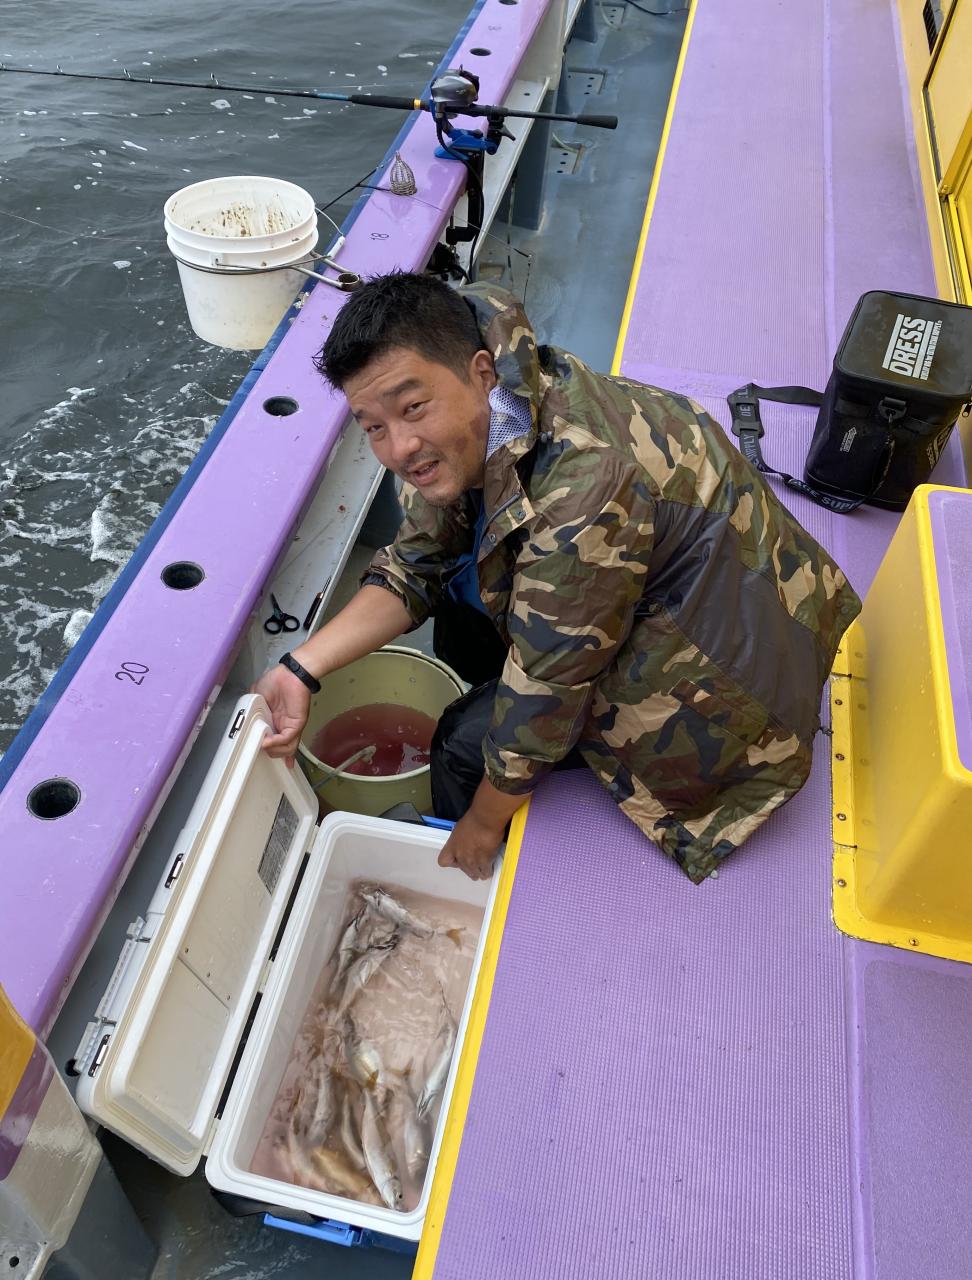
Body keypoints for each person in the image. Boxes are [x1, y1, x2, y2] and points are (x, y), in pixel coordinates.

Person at [252, 272, 861, 884]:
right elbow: (417, 562)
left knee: (462, 746)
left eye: (413, 408)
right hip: (675, 592)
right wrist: (300, 669)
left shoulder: (584, 491)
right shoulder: (497, 404)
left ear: (481, 374)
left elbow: (547, 691)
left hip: (736, 680)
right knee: (461, 626)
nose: (400, 447)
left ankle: (472, 864)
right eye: (374, 427)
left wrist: (482, 823)